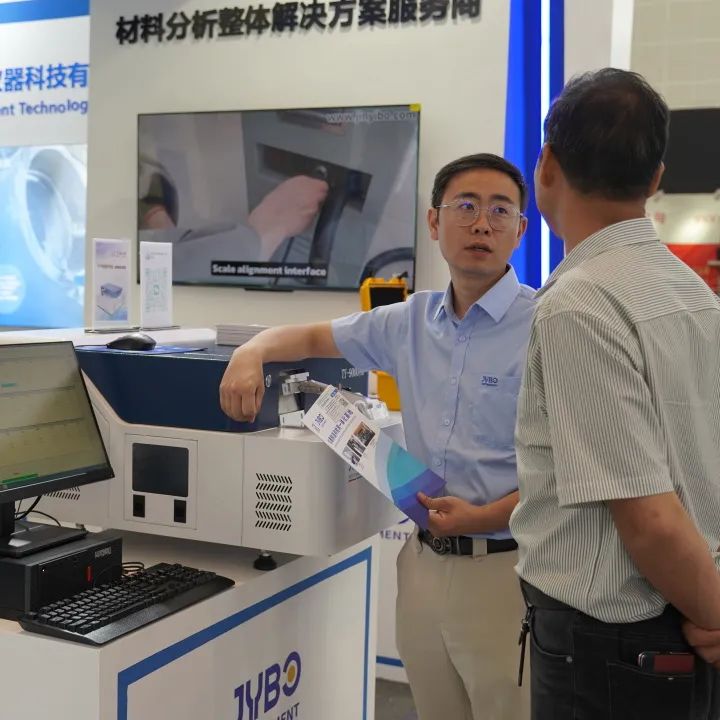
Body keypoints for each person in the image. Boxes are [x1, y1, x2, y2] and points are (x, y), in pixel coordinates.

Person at [220, 153, 535, 720]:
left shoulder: (546, 325)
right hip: (422, 566)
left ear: (520, 229)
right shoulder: (409, 320)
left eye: (499, 210)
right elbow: (310, 336)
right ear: (434, 222)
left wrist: (484, 517)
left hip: (506, 573)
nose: (482, 224)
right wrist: (252, 350)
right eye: (465, 206)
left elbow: (568, 470)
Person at [509, 68, 720, 720]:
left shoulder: (579, 304)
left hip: (615, 645)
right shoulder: (693, 293)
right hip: (685, 618)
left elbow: (649, 519)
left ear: (547, 164)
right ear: (656, 177)